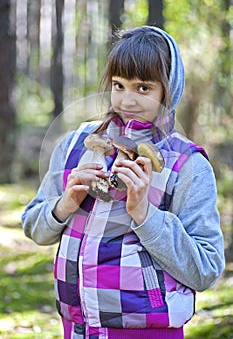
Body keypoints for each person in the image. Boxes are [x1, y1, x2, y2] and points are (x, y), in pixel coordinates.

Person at [22, 26, 225, 339]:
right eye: (119, 85)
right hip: (77, 327)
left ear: (168, 90)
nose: (127, 100)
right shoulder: (76, 144)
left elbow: (206, 268)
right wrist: (66, 203)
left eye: (143, 88)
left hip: (145, 331)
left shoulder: (187, 166)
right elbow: (33, 226)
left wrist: (145, 214)